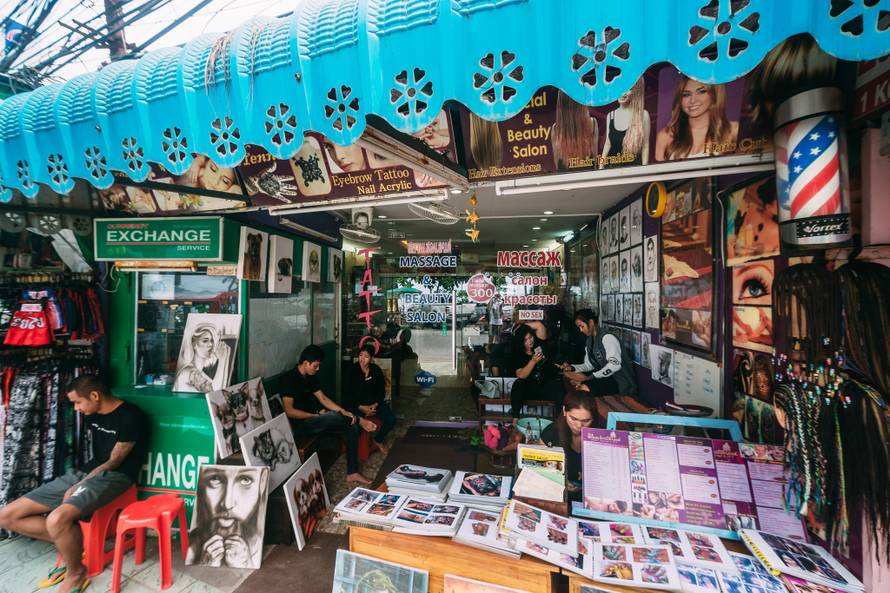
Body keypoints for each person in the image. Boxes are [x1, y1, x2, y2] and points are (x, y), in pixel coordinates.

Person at [0, 375, 145, 593]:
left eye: (78, 402)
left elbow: (114, 462)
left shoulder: (130, 416)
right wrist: (79, 481)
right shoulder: (92, 413)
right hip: (87, 471)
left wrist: (79, 485)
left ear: (95, 396)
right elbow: (97, 459)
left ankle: (76, 572)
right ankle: (72, 544)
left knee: (56, 519)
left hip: (116, 476)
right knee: (6, 516)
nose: (76, 409)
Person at [281, 345, 375, 485]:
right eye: (316, 366)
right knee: (333, 416)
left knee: (352, 427)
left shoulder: (310, 377)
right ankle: (359, 420)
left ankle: (352, 473)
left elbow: (323, 399)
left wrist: (342, 411)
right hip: (301, 425)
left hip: (316, 419)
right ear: (306, 363)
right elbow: (289, 411)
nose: (318, 369)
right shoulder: (289, 379)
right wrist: (312, 415)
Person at [187, 465, 268, 568]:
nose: (227, 504)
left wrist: (245, 564)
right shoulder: (191, 549)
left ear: (262, 482)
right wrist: (206, 564)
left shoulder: (258, 548)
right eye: (215, 479)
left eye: (245, 479)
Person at [655, 76, 738, 161]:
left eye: (701, 92)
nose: (692, 100)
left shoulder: (733, 131)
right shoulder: (665, 136)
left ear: (714, 94)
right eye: (686, 95)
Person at [560, 309, 637, 396]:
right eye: (579, 327)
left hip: (618, 380)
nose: (581, 330)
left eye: (582, 326)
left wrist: (591, 377)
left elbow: (615, 365)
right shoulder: (589, 341)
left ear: (591, 322)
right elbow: (588, 365)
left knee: (583, 388)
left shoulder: (608, 338)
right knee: (568, 375)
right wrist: (572, 368)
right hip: (603, 377)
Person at [343, 344, 396, 456]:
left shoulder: (376, 370)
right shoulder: (351, 370)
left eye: (366, 356)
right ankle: (353, 450)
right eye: (360, 355)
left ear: (372, 358)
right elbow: (347, 395)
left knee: (391, 419)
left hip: (374, 405)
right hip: (356, 405)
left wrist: (375, 404)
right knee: (355, 427)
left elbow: (381, 392)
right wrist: (361, 407)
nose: (362, 359)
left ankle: (378, 440)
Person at [541, 391, 595, 493]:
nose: (579, 425)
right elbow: (541, 469)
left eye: (586, 421)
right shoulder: (551, 433)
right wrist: (559, 481)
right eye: (573, 419)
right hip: (558, 492)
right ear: (564, 411)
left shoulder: (603, 435)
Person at [508, 322, 564, 418]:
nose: (530, 341)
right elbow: (521, 375)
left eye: (530, 337)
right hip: (530, 389)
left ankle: (561, 418)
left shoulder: (539, 344)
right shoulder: (518, 354)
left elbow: (539, 325)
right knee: (518, 384)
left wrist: (521, 325)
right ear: (520, 342)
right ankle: (515, 418)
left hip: (545, 386)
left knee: (560, 386)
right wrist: (533, 361)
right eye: (525, 340)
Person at [600, 78, 650, 167]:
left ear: (636, 91)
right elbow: (608, 143)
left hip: (634, 170)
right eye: (620, 88)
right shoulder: (610, 116)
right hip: (611, 169)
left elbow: (645, 146)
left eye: (628, 89)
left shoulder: (643, 115)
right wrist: (601, 166)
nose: (623, 93)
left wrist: (644, 169)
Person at [173, 322, 233, 393]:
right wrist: (222, 359)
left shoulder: (200, 372)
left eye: (212, 341)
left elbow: (222, 387)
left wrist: (226, 357)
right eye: (205, 341)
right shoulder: (189, 372)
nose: (210, 344)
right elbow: (216, 392)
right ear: (194, 344)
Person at [551, 90, 598, 170]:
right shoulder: (592, 124)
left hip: (566, 177)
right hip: (588, 176)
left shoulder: (555, 130)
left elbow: (557, 166)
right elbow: (595, 162)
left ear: (560, 103)